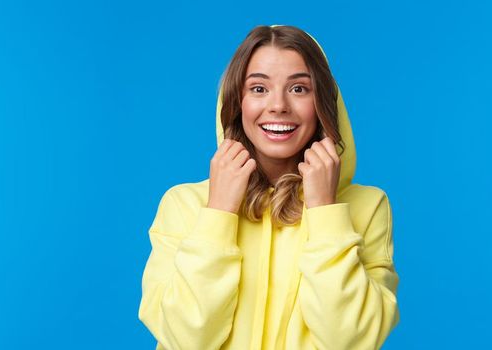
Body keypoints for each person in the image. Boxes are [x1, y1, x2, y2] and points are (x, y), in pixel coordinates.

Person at [138, 25, 399, 350]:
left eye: (299, 89)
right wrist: (218, 213)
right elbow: (186, 340)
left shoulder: (368, 207)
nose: (278, 105)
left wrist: (324, 212)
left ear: (323, 103)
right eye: (259, 88)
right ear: (237, 101)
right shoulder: (184, 205)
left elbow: (350, 341)